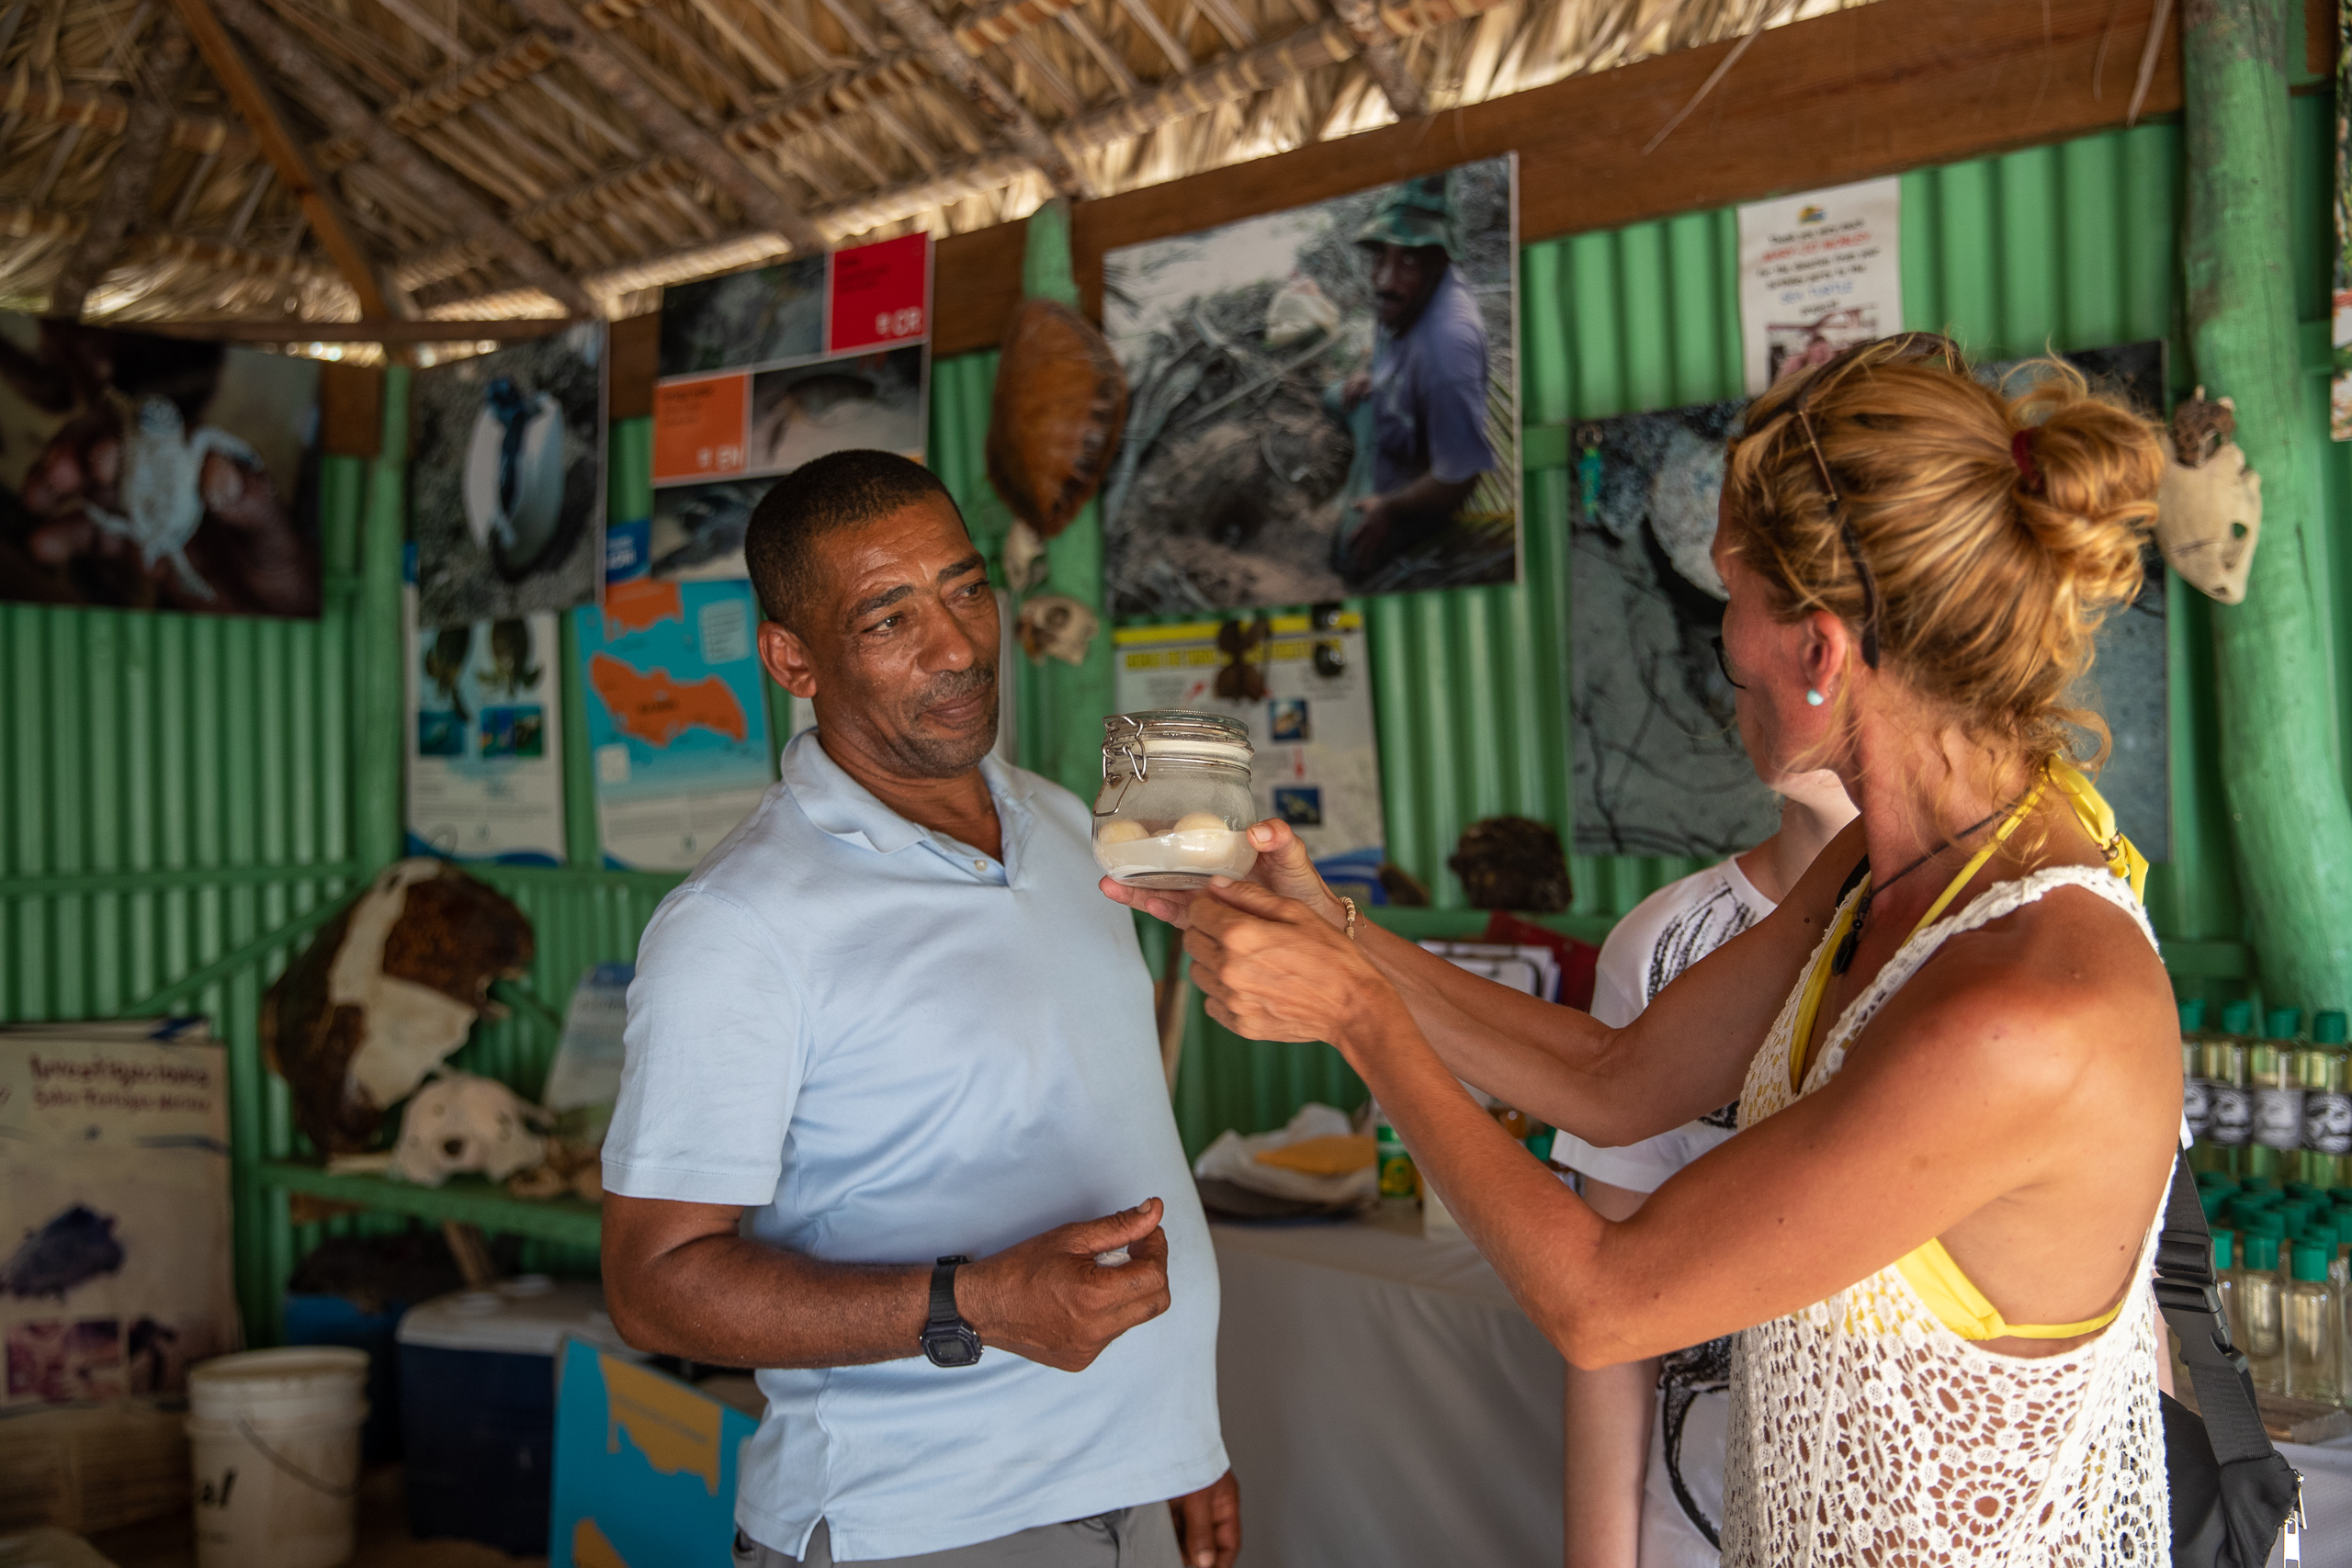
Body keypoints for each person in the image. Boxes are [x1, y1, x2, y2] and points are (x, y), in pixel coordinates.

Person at [1114, 336, 2178, 1562]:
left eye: (1732, 598)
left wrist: (1358, 1013)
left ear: (1821, 649)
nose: (1721, 646)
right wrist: (1329, 927)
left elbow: (1604, 1297)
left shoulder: (2020, 1006)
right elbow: (1619, 1081)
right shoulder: (1909, 861)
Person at [601, 449, 1238, 1568]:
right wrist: (973, 1303)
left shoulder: (1059, 830)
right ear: (791, 659)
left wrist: (1176, 1440)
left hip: (1128, 1482)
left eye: (963, 588)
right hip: (920, 1523)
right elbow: (653, 1289)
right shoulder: (741, 925)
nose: (956, 647)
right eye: (888, 619)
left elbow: (1102, 1134)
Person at [1552, 759, 1853, 1568]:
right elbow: (1608, 1317)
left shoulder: (2025, 922)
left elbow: (2120, 1282)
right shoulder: (1669, 940)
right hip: (1701, 1519)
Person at [1329, 172, 1496, 581]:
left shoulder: (1448, 351)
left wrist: (1392, 508)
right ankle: (1360, 457)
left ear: (1439, 261)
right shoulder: (1401, 295)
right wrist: (1376, 375)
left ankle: (1378, 489)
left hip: (1414, 468)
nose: (1385, 279)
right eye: (1381, 255)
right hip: (1389, 411)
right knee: (1333, 398)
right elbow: (1391, 341)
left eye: (1407, 259)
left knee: (1347, 557)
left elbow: (1459, 478)